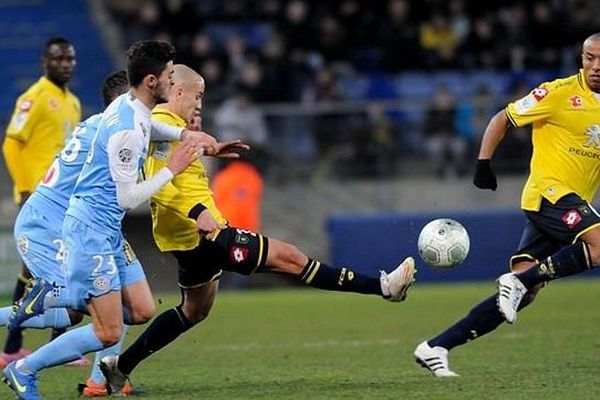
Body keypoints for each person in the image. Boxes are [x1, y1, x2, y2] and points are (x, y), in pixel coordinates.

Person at [99, 64, 416, 395]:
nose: (201, 105)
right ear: (178, 92)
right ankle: (383, 286)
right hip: (202, 232)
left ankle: (119, 368)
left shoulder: (174, 125)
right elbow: (159, 185)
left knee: (194, 310)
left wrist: (209, 149)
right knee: (290, 258)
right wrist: (197, 212)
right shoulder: (163, 120)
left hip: (186, 236)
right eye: (199, 96)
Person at [1, 40, 214, 400]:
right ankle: (30, 361)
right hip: (78, 227)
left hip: (103, 227)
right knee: (100, 324)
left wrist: (185, 133)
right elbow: (127, 197)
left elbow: (151, 129)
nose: (173, 83)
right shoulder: (125, 132)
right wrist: (172, 168)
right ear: (151, 81)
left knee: (142, 309)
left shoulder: (125, 110)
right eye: (168, 76)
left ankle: (59, 313)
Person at [414, 32, 600, 377]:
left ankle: (436, 347)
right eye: (590, 57)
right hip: (548, 195)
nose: (596, 65)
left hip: (572, 205)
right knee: (598, 244)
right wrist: (483, 164)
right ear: (581, 58)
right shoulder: (558, 93)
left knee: (524, 293)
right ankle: (519, 282)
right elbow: (503, 117)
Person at [1, 36, 82, 368]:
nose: (65, 64)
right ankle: (49, 345)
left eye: (70, 58)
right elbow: (11, 143)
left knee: (41, 271)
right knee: (61, 268)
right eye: (59, 58)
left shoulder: (73, 102)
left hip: (63, 198)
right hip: (38, 196)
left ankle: (13, 346)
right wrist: (23, 189)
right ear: (44, 62)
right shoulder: (32, 99)